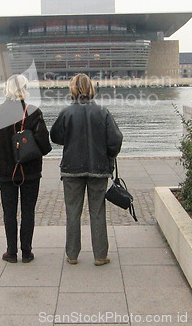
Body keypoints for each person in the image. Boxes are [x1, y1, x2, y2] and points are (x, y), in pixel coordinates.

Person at [50, 73, 123, 266]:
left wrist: (71, 139)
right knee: (97, 211)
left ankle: (72, 254)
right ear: (91, 88)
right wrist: (109, 155)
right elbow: (115, 140)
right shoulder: (103, 112)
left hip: (72, 169)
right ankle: (100, 254)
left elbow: (55, 136)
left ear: (73, 89)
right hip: (98, 168)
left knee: (72, 211)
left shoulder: (66, 112)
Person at [0, 74, 51, 263]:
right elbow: (45, 146)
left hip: (5, 172)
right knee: (28, 211)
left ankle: (11, 251)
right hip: (30, 171)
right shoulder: (34, 112)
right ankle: (27, 252)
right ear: (25, 88)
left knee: (9, 212)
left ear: (6, 89)